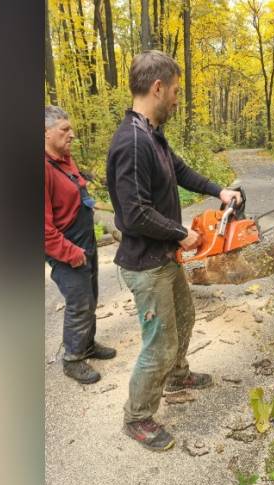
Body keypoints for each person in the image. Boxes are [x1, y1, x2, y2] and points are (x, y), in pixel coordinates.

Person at [106, 50, 242, 451]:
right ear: (158, 87)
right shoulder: (131, 141)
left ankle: (177, 374)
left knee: (185, 315)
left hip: (163, 258)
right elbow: (132, 214)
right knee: (158, 343)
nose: (178, 100)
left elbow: (180, 170)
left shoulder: (151, 133)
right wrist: (181, 232)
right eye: (176, 92)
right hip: (145, 265)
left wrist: (219, 190)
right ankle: (138, 416)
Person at [45, 106, 117, 384]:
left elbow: (82, 197)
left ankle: (87, 344)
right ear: (45, 133)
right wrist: (70, 253)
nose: (72, 134)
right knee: (79, 302)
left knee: (91, 297)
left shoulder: (64, 159)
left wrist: (108, 220)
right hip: (65, 247)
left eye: (70, 129)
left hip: (85, 240)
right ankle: (73, 359)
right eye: (64, 130)